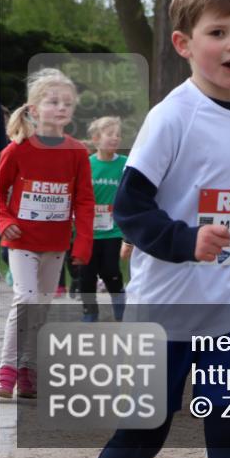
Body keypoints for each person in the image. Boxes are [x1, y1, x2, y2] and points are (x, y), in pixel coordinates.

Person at [95, 0, 230, 458]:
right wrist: (184, 240)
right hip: (166, 305)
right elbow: (129, 206)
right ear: (184, 44)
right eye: (217, 33)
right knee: (141, 435)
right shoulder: (172, 115)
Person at [0, 68, 93, 399]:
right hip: (21, 240)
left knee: (42, 306)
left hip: (55, 244)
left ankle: (28, 370)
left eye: (68, 102)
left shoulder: (77, 151)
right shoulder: (18, 149)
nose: (62, 107)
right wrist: (2, 220)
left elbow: (84, 201)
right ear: (34, 109)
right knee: (26, 298)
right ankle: (6, 370)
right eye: (53, 101)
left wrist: (82, 242)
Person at [80, 116, 129, 322]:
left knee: (110, 271)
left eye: (118, 135)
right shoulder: (86, 165)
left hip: (113, 229)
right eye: (110, 135)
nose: (115, 138)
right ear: (96, 139)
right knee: (86, 275)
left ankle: (121, 309)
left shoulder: (126, 164)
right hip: (87, 231)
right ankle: (90, 313)